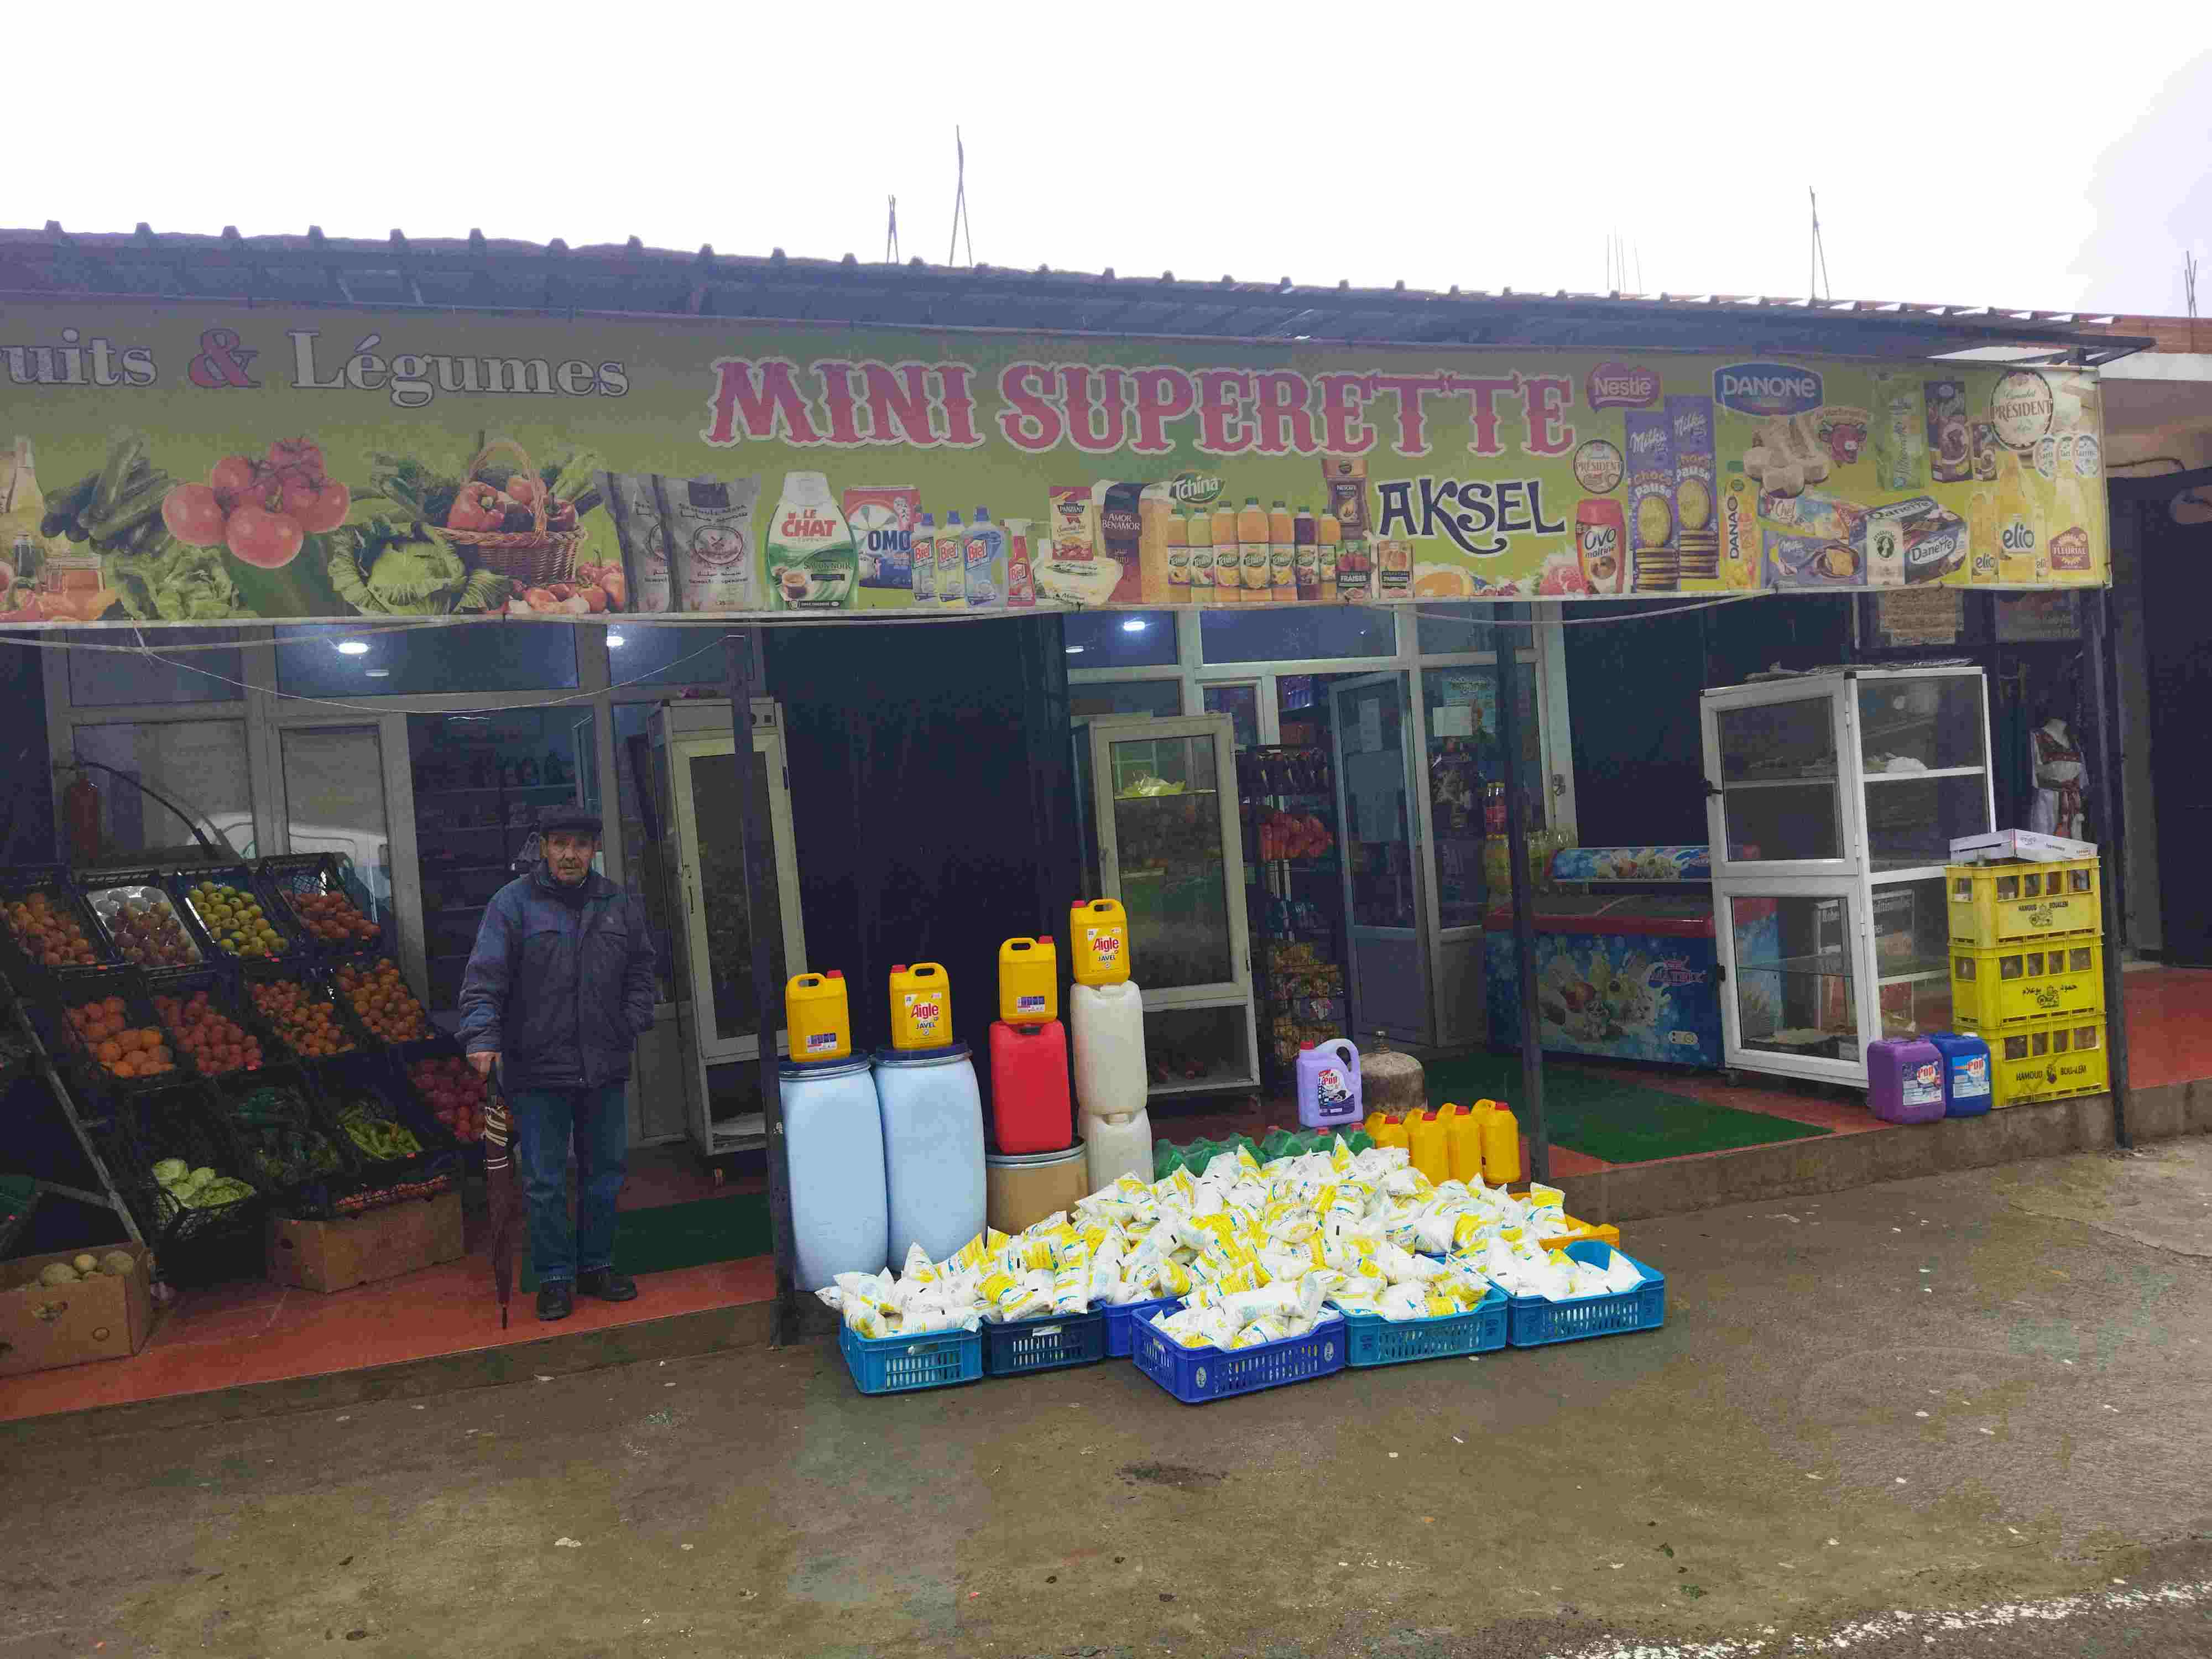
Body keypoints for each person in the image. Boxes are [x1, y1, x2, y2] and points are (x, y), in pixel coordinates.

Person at [459, 806, 657, 1322]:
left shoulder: (617, 902)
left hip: (604, 1064)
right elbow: (484, 979)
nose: (571, 855)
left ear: (595, 849)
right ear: (543, 847)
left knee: (605, 1175)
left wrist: (631, 1020)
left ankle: (597, 1266)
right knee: (544, 1181)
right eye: (560, 844)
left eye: (581, 845)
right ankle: (553, 1277)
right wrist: (482, 1036)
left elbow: (642, 969)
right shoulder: (512, 904)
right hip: (538, 1068)